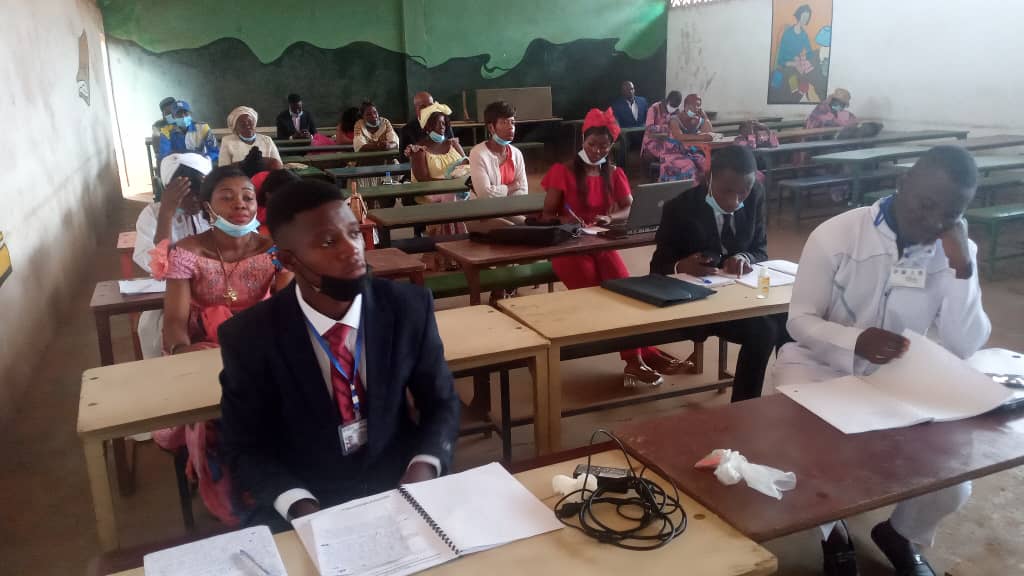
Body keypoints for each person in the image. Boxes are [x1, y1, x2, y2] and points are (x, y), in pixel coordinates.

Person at [773, 146, 988, 576]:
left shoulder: (954, 252)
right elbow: (799, 320)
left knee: (954, 481)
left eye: (950, 213)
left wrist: (962, 270)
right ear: (902, 184)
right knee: (814, 454)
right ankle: (833, 534)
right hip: (818, 366)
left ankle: (900, 534)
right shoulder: (838, 235)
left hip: (899, 375)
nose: (934, 222)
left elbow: (964, 344)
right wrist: (855, 341)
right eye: (926, 205)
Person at [218, 179, 461, 529]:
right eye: (328, 242)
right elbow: (244, 447)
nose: (352, 250)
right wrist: (302, 507)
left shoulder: (406, 308)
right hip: (306, 492)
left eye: (354, 233)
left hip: (400, 481)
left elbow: (442, 402)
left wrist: (423, 467)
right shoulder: (249, 336)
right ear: (289, 260)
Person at [152, 166, 293, 525]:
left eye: (247, 197)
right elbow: (174, 320)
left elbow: (286, 310)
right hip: (205, 345)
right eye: (226, 197)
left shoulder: (275, 250)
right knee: (216, 403)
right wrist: (182, 354)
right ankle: (225, 482)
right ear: (208, 207)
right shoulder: (187, 252)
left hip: (259, 342)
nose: (240, 204)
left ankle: (280, 475)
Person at [541, 108, 688, 387]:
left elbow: (629, 207)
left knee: (628, 293)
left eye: (603, 146)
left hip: (601, 243)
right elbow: (547, 214)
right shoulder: (563, 171)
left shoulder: (614, 173)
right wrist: (566, 221)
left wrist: (611, 218)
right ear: (582, 142)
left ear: (611, 147)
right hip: (569, 248)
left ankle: (646, 354)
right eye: (591, 145)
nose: (597, 151)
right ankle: (636, 359)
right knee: (603, 299)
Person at [650, 145, 780, 402]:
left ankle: (795, 397)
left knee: (788, 318)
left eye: (744, 191)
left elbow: (760, 249)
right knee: (763, 330)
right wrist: (681, 266)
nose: (736, 200)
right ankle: (744, 407)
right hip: (699, 303)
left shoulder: (755, 195)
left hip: (740, 296)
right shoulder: (680, 208)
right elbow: (658, 267)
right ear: (710, 179)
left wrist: (744, 257)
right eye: (728, 191)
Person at [133, 153, 213, 358]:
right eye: (186, 194)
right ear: (170, 191)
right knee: (150, 328)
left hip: (214, 290)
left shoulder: (214, 209)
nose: (195, 200)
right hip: (170, 293)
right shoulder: (152, 214)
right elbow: (155, 265)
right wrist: (167, 212)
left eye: (199, 193)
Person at [409, 102, 471, 243]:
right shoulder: (419, 149)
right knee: (449, 198)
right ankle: (453, 239)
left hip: (459, 189)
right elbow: (423, 179)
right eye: (439, 123)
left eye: (444, 123)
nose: (443, 127)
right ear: (428, 126)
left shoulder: (453, 144)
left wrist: (460, 180)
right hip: (432, 192)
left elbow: (466, 163)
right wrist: (450, 185)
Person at [468, 100, 528, 228]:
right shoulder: (478, 153)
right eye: (504, 122)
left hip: (509, 209)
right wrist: (511, 187)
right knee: (513, 230)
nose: (511, 127)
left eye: (512, 122)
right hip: (482, 213)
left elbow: (523, 190)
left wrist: (502, 194)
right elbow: (485, 195)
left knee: (528, 226)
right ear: (491, 127)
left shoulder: (516, 154)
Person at [659, 93, 713, 182]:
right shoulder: (674, 119)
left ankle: (701, 189)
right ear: (686, 106)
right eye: (694, 105)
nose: (697, 108)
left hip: (691, 152)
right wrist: (701, 137)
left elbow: (710, 133)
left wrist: (705, 117)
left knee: (705, 164)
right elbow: (679, 137)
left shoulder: (697, 119)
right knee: (689, 166)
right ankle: (685, 189)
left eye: (699, 105)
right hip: (673, 153)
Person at [399, 91, 455, 163]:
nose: (428, 109)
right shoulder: (407, 130)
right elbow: (403, 160)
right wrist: (411, 154)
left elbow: (453, 147)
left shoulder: (444, 124)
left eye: (431, 106)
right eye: (423, 107)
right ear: (416, 109)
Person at [642, 90, 683, 162]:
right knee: (669, 156)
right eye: (672, 106)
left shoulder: (676, 111)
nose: (673, 108)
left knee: (681, 152)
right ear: (668, 100)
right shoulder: (654, 108)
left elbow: (678, 128)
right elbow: (649, 129)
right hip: (652, 141)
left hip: (668, 141)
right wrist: (667, 129)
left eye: (676, 107)